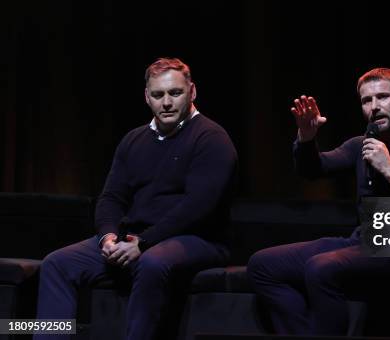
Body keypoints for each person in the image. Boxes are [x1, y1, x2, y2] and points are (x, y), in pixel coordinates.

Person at [35, 58, 238, 340]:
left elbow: (198, 207)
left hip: (198, 238)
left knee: (151, 262)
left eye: (175, 93)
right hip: (138, 237)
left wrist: (144, 243)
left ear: (192, 92)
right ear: (147, 97)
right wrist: (107, 236)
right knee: (57, 264)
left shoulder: (211, 138)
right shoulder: (134, 140)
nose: (166, 102)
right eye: (158, 95)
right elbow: (112, 196)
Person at [247, 68, 390, 336]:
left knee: (321, 267)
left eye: (383, 97)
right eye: (366, 101)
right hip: (364, 242)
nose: (374, 107)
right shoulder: (363, 144)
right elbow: (314, 169)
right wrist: (307, 138)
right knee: (263, 266)